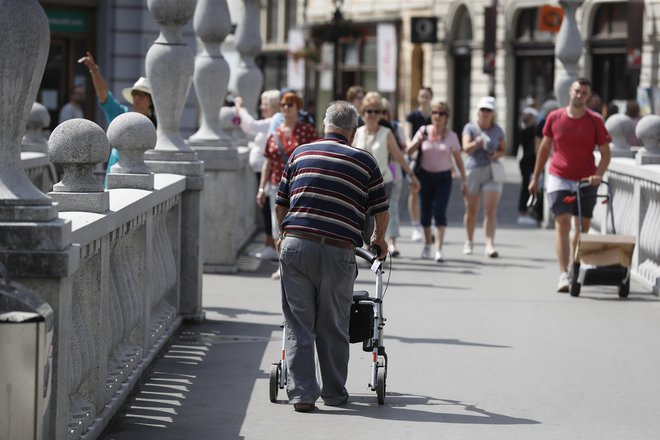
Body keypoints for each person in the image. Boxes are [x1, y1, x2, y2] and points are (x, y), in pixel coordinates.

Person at [275, 100, 389, 412]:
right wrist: (379, 239)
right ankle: (335, 394)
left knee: (298, 322)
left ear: (326, 126)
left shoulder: (301, 152)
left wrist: (282, 235)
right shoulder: (364, 161)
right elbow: (380, 208)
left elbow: (281, 202)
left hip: (296, 245)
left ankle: (301, 395)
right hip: (340, 249)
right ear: (353, 131)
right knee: (334, 324)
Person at [528, 77, 612, 292]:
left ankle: (575, 266)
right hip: (559, 176)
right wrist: (535, 177)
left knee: (581, 227)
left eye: (584, 93)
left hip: (585, 180)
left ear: (589, 96)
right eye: (576, 91)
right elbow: (545, 149)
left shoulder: (595, 121)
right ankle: (563, 273)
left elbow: (605, 154)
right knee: (563, 221)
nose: (579, 95)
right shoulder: (555, 117)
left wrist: (598, 175)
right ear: (570, 92)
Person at [258, 91, 319, 278]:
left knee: (301, 226)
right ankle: (282, 264)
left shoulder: (307, 131)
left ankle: (302, 264)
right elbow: (267, 162)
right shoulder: (274, 134)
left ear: (298, 108)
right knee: (279, 226)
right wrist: (261, 188)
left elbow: (317, 156)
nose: (285, 108)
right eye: (283, 104)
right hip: (277, 186)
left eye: (290, 104)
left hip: (301, 186)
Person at [352, 92, 420, 247]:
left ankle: (380, 245)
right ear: (363, 113)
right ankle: (369, 245)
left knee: (380, 216)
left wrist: (411, 175)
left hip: (383, 182)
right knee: (365, 219)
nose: (373, 115)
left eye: (377, 111)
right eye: (370, 111)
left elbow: (398, 156)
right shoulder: (357, 133)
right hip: (362, 184)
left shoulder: (386, 133)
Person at [79, 52, 156, 179]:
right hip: (114, 184)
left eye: (141, 94)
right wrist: (94, 71)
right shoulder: (122, 116)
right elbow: (104, 96)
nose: (136, 97)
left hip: (142, 183)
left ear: (150, 101)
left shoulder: (156, 126)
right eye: (134, 93)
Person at [407, 99, 466, 261]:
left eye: (441, 113)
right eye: (434, 113)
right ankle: (427, 245)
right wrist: (419, 141)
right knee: (425, 214)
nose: (437, 116)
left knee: (440, 212)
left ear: (447, 117)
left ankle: (439, 249)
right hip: (424, 176)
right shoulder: (423, 130)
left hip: (443, 177)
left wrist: (464, 181)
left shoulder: (452, 136)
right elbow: (408, 151)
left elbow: (459, 161)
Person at [235, 90, 281, 260]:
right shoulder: (271, 122)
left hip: (267, 172)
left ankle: (271, 244)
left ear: (274, 107)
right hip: (262, 171)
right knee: (266, 208)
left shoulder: (274, 121)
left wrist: (240, 108)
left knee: (268, 209)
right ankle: (269, 243)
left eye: (265, 105)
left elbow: (251, 125)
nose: (262, 107)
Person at [462, 96, 506, 258]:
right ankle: (469, 240)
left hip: (492, 171)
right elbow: (465, 148)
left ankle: (489, 245)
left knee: (490, 211)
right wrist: (477, 143)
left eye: (489, 110)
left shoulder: (498, 130)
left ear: (493, 113)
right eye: (483, 110)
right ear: (478, 111)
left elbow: (503, 149)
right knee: (472, 210)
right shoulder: (470, 128)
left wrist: (496, 154)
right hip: (473, 171)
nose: (485, 113)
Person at [380, 97, 407, 257]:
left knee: (393, 206)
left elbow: (402, 150)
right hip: (379, 171)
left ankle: (393, 242)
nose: (382, 115)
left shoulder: (396, 128)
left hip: (393, 169)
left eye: (384, 112)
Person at [405, 87, 433, 241]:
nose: (424, 99)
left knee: (430, 192)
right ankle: (416, 226)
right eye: (422, 96)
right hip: (415, 157)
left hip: (430, 156)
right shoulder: (412, 116)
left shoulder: (434, 116)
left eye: (427, 97)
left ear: (431, 98)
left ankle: (430, 224)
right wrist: (412, 149)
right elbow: (409, 135)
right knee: (414, 191)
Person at [517, 106, 540, 226]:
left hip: (526, 162)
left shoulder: (525, 129)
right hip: (527, 163)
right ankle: (523, 212)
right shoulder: (528, 130)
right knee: (527, 187)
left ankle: (528, 211)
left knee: (528, 187)